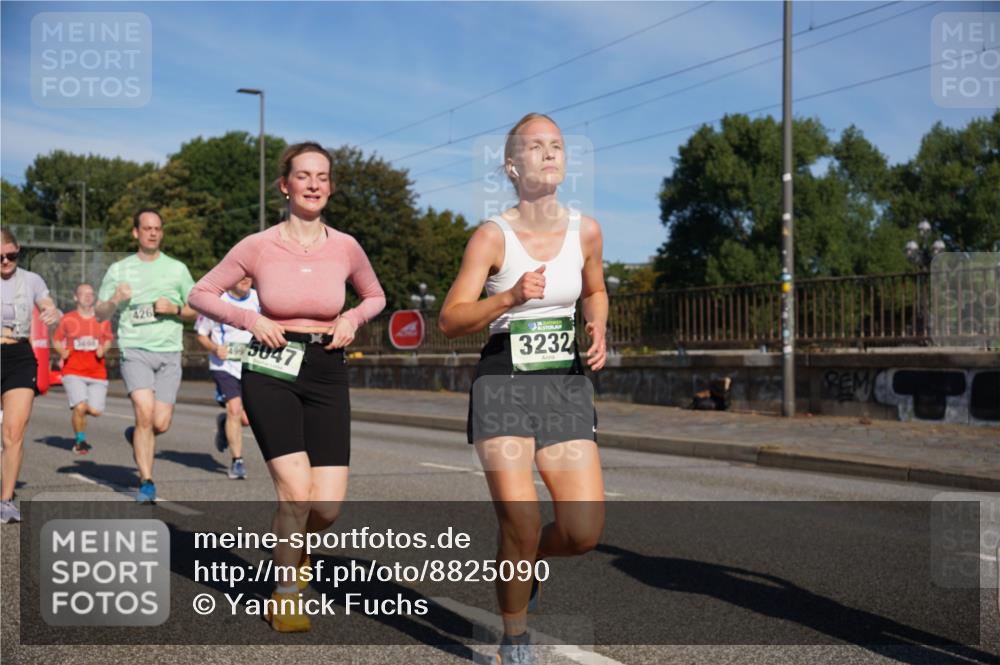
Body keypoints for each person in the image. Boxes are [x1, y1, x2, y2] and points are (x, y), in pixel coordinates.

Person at [189, 141, 386, 632]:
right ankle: (285, 593)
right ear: (285, 185)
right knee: (296, 492)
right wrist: (250, 320)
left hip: (327, 367)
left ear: (330, 187)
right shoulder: (258, 245)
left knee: (327, 506)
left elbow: (375, 296)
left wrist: (352, 318)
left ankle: (290, 541)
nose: (313, 184)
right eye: (303, 175)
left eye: (322, 176)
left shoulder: (346, 246)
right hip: (271, 366)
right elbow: (200, 293)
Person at [438, 113, 609, 665]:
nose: (549, 152)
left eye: (556, 144)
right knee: (523, 520)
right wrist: (509, 297)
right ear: (512, 167)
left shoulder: (586, 231)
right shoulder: (492, 236)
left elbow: (595, 289)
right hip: (503, 381)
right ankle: (514, 642)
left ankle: (525, 559)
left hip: (565, 383)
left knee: (582, 532)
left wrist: (598, 325)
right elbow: (451, 319)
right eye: (535, 146)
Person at [95, 209, 197, 503]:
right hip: (134, 348)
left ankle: (137, 434)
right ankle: (147, 482)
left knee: (159, 423)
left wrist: (174, 309)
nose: (153, 233)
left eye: (157, 228)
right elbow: (100, 312)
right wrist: (116, 298)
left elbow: (196, 308)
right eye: (147, 228)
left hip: (169, 351)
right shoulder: (119, 270)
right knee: (144, 412)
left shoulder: (177, 269)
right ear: (135, 233)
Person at [1, 228, 62, 523]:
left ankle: (5, 501)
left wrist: (53, 313)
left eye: (11, 255)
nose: (5, 261)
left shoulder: (32, 280)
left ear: (19, 251)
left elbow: (49, 306)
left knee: (13, 433)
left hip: (19, 357)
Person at [194, 276, 259, 479]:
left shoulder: (259, 299)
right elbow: (201, 334)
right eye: (241, 276)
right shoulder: (217, 302)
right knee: (234, 409)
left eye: (249, 276)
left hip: (251, 365)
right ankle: (237, 461)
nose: (246, 279)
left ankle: (224, 424)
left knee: (247, 419)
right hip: (224, 366)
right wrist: (215, 348)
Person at [53, 283, 115, 454]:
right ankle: (80, 440)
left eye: (91, 294)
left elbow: (108, 339)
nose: (88, 296)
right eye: (83, 293)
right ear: (75, 297)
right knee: (80, 406)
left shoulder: (102, 319)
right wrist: (62, 352)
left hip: (97, 372)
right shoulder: (68, 319)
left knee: (95, 411)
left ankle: (80, 412)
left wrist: (104, 349)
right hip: (73, 370)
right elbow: (56, 339)